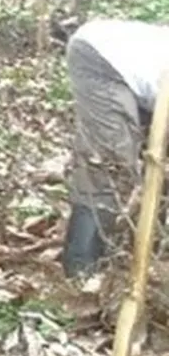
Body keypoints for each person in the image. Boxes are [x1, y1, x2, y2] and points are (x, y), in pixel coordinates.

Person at [60, 18, 169, 278]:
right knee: (111, 166)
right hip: (103, 59)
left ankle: (148, 251)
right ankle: (80, 270)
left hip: (143, 79)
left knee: (157, 167)